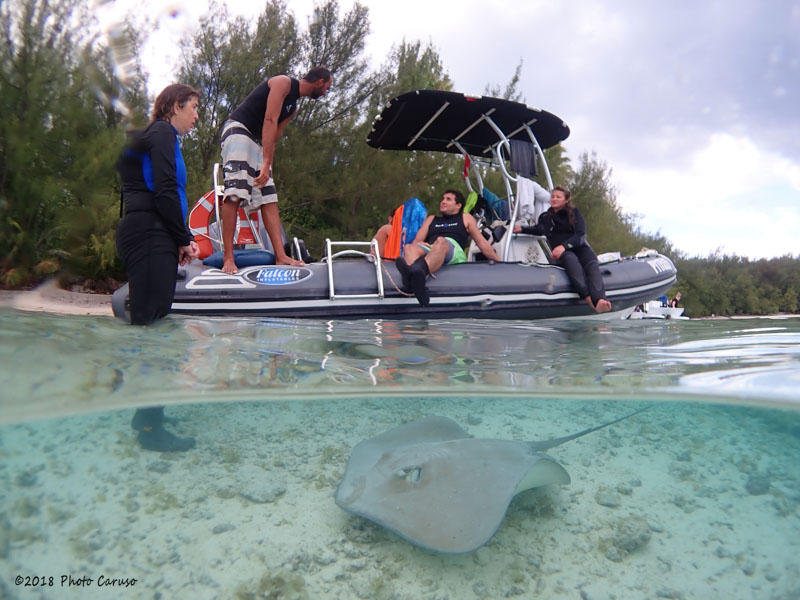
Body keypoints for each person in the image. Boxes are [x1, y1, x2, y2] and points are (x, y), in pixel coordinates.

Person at [116, 83, 201, 452]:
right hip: (151, 233)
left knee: (150, 323)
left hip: (150, 233)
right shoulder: (163, 132)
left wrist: (173, 238)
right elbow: (166, 189)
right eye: (194, 107)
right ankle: (151, 430)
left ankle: (146, 414)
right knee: (151, 327)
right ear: (175, 105)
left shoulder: (152, 136)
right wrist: (182, 238)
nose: (197, 115)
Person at [220, 67, 333, 273]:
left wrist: (266, 163)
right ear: (320, 82)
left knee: (268, 197)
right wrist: (265, 161)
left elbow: (274, 135)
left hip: (258, 143)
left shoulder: (293, 108)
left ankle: (281, 256)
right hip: (239, 131)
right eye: (327, 87)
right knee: (235, 193)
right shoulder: (283, 83)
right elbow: (269, 119)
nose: (326, 92)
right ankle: (228, 258)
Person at [513, 186, 612, 313]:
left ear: (566, 200)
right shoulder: (545, 217)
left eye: (558, 197)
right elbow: (540, 230)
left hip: (578, 248)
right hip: (563, 255)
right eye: (553, 196)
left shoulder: (574, 213)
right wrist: (522, 229)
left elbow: (580, 235)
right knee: (571, 260)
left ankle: (600, 300)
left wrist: (564, 246)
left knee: (591, 264)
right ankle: (591, 302)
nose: (554, 199)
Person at [395, 189, 501, 306]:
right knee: (409, 248)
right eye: (443, 199)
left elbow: (482, 244)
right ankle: (413, 283)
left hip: (453, 250)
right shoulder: (431, 219)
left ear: (458, 205)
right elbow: (417, 241)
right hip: (433, 248)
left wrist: (500, 263)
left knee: (441, 241)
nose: (443, 202)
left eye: (448, 199)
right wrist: (420, 243)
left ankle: (417, 273)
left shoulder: (465, 218)